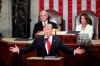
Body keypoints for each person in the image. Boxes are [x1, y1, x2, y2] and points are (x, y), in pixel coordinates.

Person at [10, 24, 85, 57]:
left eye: (48, 29)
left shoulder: (58, 40)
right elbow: (29, 49)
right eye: (45, 30)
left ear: (51, 30)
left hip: (54, 62)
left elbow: (66, 49)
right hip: (40, 62)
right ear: (43, 30)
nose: (46, 31)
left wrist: (74, 51)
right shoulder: (38, 39)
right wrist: (19, 50)